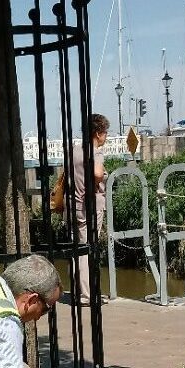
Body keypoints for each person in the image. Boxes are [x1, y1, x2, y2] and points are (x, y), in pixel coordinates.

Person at [71, 114, 110, 307]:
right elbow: (96, 173)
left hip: (76, 206)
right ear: (97, 133)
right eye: (105, 133)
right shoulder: (94, 152)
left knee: (80, 249)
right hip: (92, 206)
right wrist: (97, 182)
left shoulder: (74, 151)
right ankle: (89, 295)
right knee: (91, 249)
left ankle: (81, 292)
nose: (106, 137)